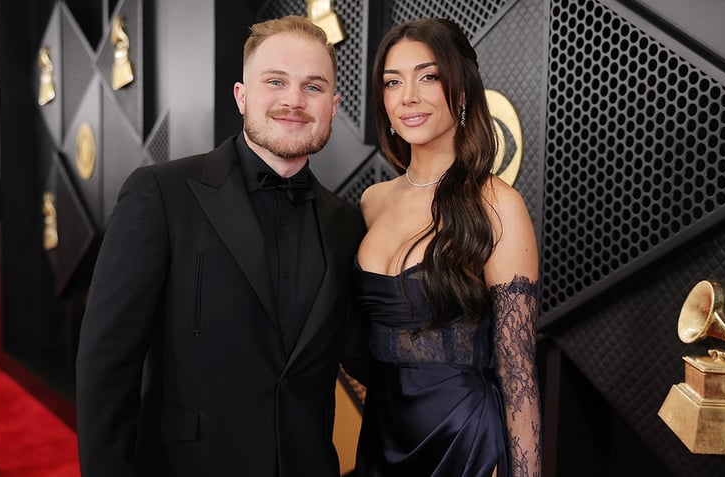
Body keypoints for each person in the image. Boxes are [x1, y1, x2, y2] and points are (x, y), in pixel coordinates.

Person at [75, 15, 366, 477]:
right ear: (242, 95)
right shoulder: (161, 193)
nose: (294, 100)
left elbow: (361, 354)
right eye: (276, 81)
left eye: (313, 87)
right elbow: (106, 365)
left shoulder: (347, 224)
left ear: (334, 105)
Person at [347, 18, 542, 476]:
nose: (408, 96)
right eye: (392, 82)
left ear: (463, 89)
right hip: (381, 432)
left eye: (428, 77)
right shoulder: (372, 202)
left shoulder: (497, 204)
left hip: (463, 438)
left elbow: (518, 374)